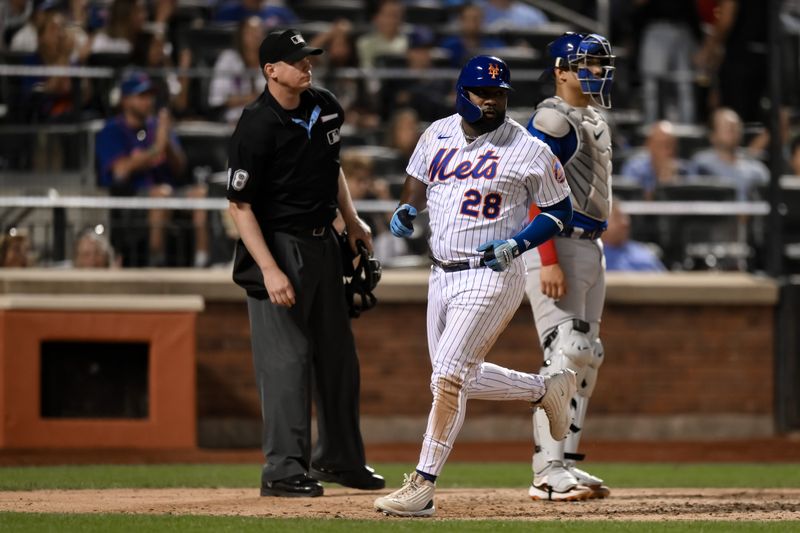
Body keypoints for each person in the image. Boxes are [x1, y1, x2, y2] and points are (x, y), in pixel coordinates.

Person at [374, 55, 577, 517]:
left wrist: (520, 242)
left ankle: (422, 485)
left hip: (492, 272)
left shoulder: (527, 148)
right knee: (453, 377)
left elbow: (558, 212)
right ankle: (544, 389)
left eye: (500, 94)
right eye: (483, 93)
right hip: (440, 272)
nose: (492, 101)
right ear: (461, 94)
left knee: (447, 376)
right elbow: (418, 176)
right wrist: (408, 207)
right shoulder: (438, 132)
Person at [225, 28, 385, 498]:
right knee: (287, 362)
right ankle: (282, 469)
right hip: (278, 244)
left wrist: (351, 221)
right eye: (297, 60)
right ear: (270, 70)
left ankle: (339, 459)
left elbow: (331, 164)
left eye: (309, 58)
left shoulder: (326, 104)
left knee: (338, 359)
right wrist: (270, 269)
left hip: (323, 243)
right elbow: (240, 205)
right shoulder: (255, 124)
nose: (307, 65)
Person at [520, 32, 616, 502]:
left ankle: (568, 465)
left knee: (587, 355)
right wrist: (547, 259)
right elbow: (531, 192)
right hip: (557, 244)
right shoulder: (552, 119)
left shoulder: (592, 117)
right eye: (588, 64)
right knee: (565, 353)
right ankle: (545, 471)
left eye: (600, 64)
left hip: (590, 246)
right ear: (561, 70)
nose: (597, 71)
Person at [95, 71, 209, 267]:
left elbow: (179, 169)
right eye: (141, 96)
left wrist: (167, 144)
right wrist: (156, 148)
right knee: (160, 195)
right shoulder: (111, 130)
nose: (148, 101)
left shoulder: (158, 125)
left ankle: (203, 261)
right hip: (131, 199)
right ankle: (156, 263)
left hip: (168, 192)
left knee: (199, 194)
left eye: (150, 96)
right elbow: (120, 172)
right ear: (125, 100)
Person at [691, 107, 769, 201]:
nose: (732, 131)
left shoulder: (757, 170)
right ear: (712, 135)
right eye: (726, 127)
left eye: (735, 126)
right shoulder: (701, 164)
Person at [620, 120, 695, 200]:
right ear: (649, 145)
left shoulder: (686, 170)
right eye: (660, 145)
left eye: (670, 145)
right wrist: (661, 185)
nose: (667, 151)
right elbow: (630, 200)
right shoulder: (634, 169)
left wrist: (676, 185)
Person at [602, 198, 666, 272]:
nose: (625, 223)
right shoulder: (592, 256)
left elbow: (667, 280)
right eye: (617, 217)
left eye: (625, 217)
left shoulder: (644, 254)